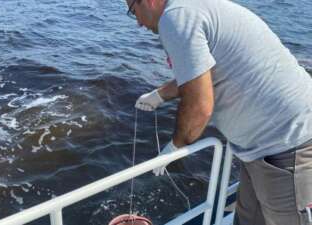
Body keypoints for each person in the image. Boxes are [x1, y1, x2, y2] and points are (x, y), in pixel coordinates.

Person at [124, 0, 312, 224]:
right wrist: (161, 94)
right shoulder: (192, 8)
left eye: (133, 11)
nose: (137, 22)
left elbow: (200, 106)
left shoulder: (176, 17)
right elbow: (204, 70)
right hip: (258, 149)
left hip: (287, 145)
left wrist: (175, 146)